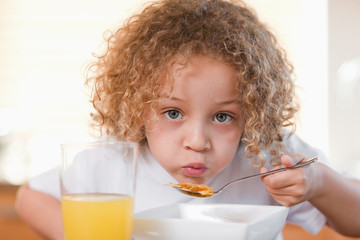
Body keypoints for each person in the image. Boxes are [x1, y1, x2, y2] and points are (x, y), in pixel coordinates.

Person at [15, 0, 360, 239]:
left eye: (223, 116)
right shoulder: (113, 161)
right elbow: (30, 197)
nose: (197, 141)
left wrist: (318, 183)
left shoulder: (268, 155)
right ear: (138, 107)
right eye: (173, 113)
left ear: (253, 114)